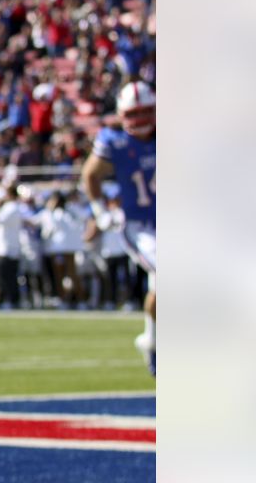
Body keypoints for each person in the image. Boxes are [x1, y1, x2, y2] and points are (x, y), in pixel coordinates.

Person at [81, 81, 156, 375]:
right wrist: (100, 211)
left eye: (146, 112)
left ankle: (151, 340)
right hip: (141, 227)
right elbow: (90, 175)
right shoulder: (115, 141)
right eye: (133, 113)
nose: (139, 120)